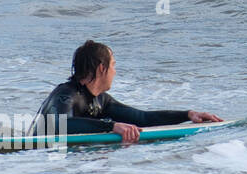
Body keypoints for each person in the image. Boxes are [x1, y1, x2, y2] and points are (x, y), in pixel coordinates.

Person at [32, 40, 223, 144]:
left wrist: (189, 114)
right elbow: (57, 125)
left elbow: (142, 118)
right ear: (101, 69)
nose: (115, 71)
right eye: (113, 65)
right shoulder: (66, 94)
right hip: (38, 158)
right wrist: (111, 126)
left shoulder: (101, 100)